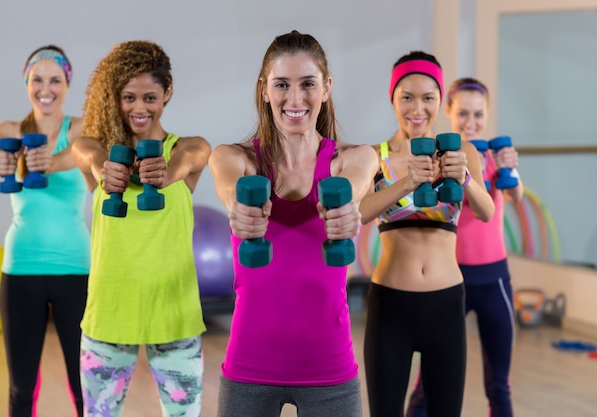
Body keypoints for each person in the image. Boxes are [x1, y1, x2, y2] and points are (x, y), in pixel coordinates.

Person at [208, 30, 377, 417]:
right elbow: (228, 180)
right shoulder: (237, 158)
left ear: (327, 88)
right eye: (282, 84)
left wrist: (347, 204)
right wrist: (239, 205)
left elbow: (359, 177)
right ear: (264, 89)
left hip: (330, 371)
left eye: (308, 84)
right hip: (249, 368)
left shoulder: (351, 158)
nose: (295, 99)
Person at [71, 40, 210, 417]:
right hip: (110, 313)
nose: (139, 108)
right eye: (128, 97)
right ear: (115, 97)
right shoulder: (93, 149)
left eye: (150, 97)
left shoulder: (189, 149)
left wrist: (167, 172)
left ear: (167, 93)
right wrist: (104, 167)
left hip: (174, 312)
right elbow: (85, 151)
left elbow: (191, 156)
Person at [359, 51, 496, 417]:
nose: (416, 108)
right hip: (390, 306)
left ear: (439, 102)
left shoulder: (461, 152)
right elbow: (357, 215)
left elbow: (486, 212)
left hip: (446, 305)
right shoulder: (374, 156)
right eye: (406, 97)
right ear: (393, 99)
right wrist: (408, 181)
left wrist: (463, 178)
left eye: (427, 98)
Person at [0, 45, 90, 417]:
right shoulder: (10, 130)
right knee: (20, 387)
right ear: (26, 82)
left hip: (76, 271)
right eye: (38, 79)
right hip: (20, 270)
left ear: (67, 84)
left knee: (85, 385)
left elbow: (88, 154)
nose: (46, 88)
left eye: (55, 80)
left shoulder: (82, 129)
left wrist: (52, 161)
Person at [406, 77, 523, 417]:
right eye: (463, 115)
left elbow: (515, 196)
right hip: (449, 281)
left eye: (478, 115)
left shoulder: (496, 158)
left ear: (487, 114)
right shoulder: (440, 158)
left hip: (495, 281)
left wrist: (510, 165)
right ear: (449, 112)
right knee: (428, 381)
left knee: (499, 384)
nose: (471, 123)